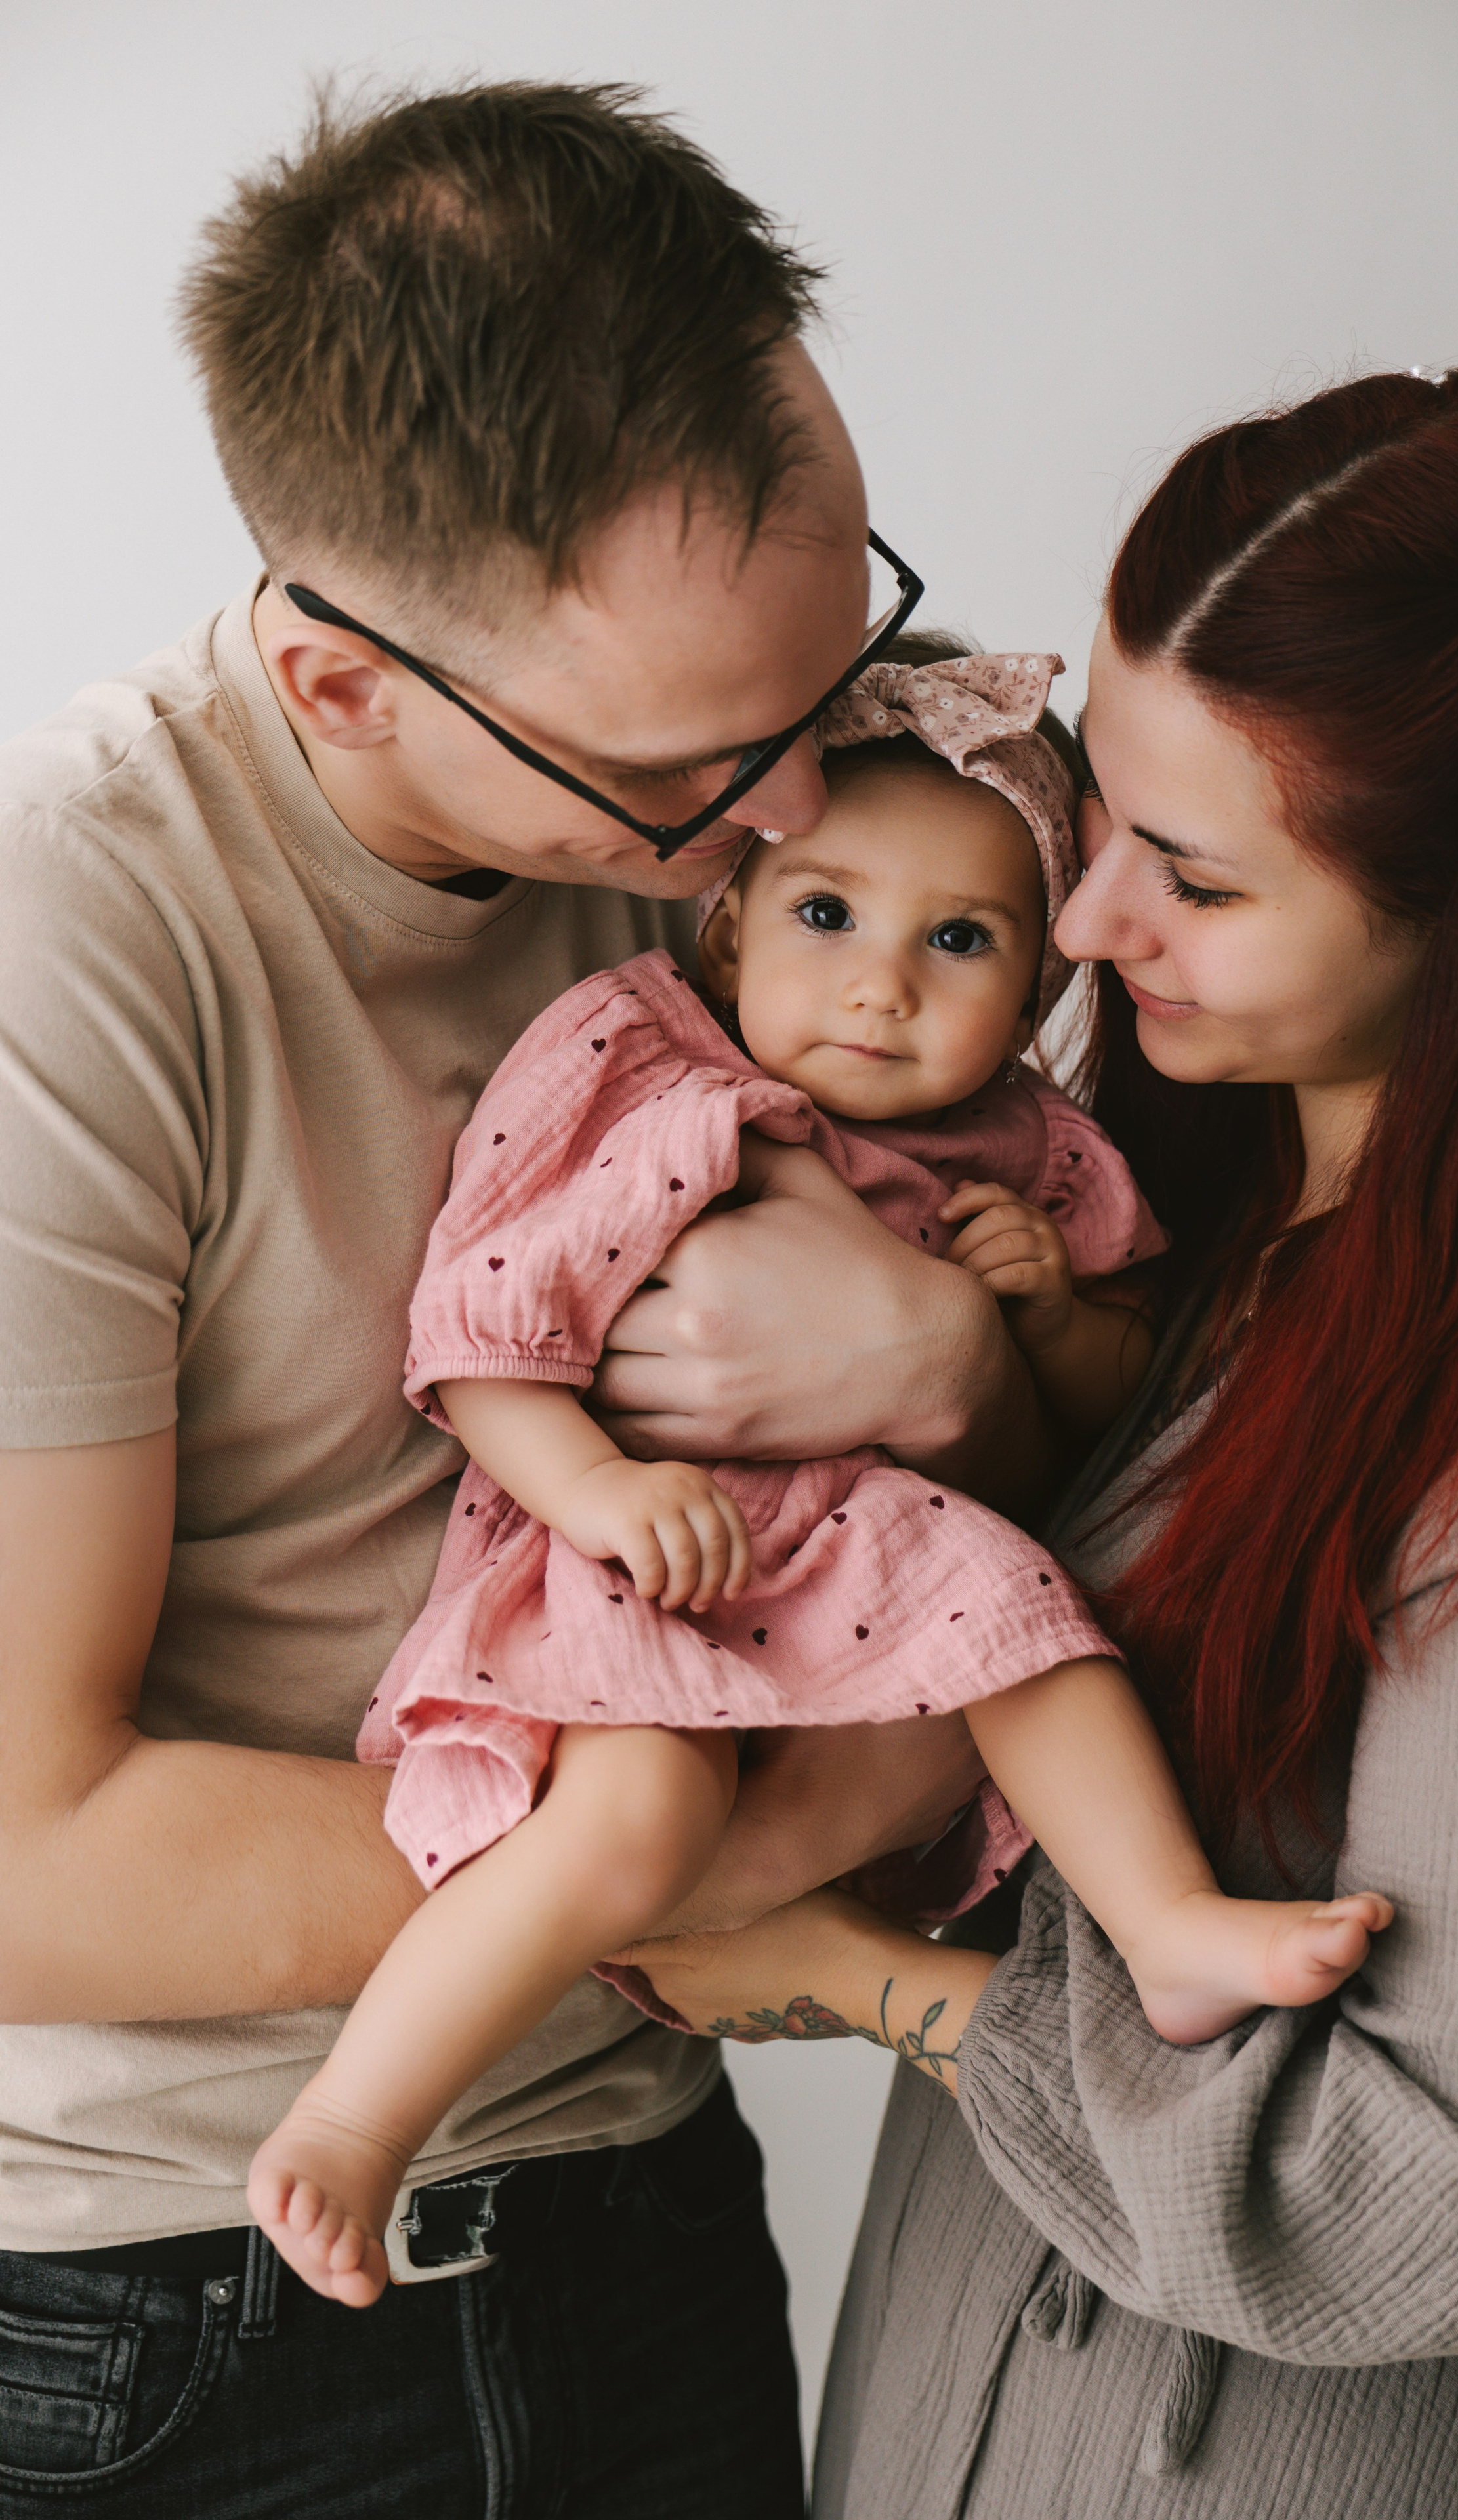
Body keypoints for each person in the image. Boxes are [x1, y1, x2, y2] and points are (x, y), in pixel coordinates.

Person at [0, 82, 1026, 2517]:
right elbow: (21, 1854)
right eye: (700, 773)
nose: (798, 819)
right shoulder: (76, 946)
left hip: (646, 2197)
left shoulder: (768, 817)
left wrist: (958, 1356)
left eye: (834, 667)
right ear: (348, 685)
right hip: (191, 2305)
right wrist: (730, 1844)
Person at [630, 371, 1458, 2520]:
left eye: (1189, 876)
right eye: (1096, 813)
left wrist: (851, 1978)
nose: (1084, 924)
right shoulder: (1172, 1218)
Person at [249, 640, 1392, 2307]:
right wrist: (592, 1490)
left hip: (875, 1552)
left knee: (1039, 1634)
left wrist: (1046, 1318)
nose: (880, 987)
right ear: (730, 916)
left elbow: (1123, 1412)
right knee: (634, 1815)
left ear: (1038, 990)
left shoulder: (1030, 1141)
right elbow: (486, 1330)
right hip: (648, 1542)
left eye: (957, 942)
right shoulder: (639, 1067)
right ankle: (358, 2116)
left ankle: (1165, 1924)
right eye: (825, 916)